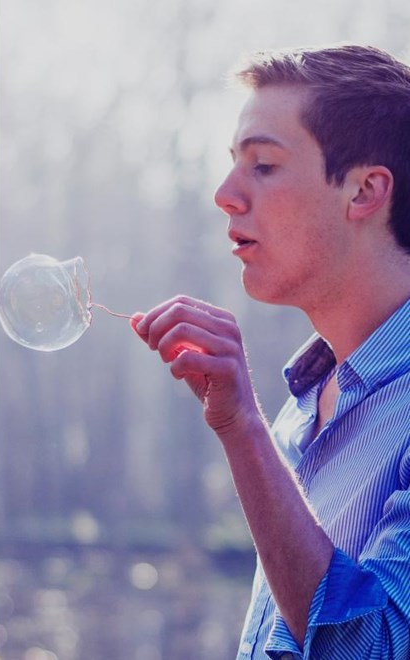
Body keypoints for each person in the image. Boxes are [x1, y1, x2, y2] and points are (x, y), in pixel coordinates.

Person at [130, 44, 410, 659]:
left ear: (364, 191)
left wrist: (242, 428)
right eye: (233, 163)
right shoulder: (302, 404)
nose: (224, 194)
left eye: (263, 165)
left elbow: (374, 648)